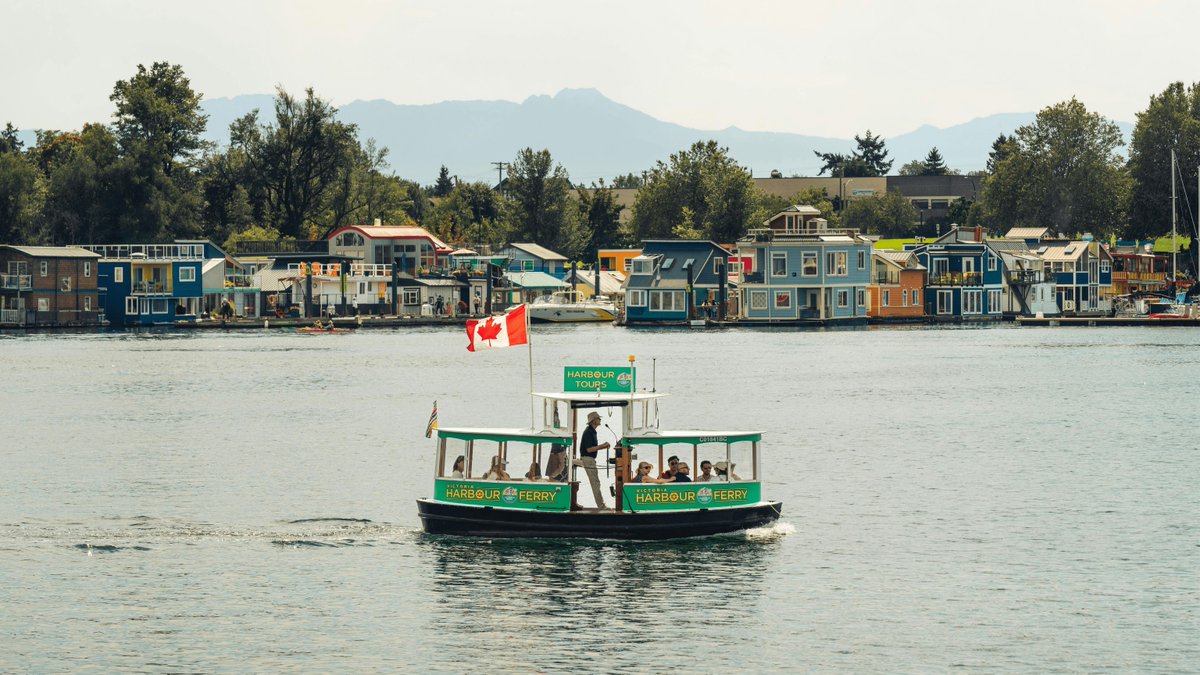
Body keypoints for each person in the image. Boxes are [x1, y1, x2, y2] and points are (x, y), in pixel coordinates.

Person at [578, 411, 609, 508]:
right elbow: (589, 449)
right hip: (588, 459)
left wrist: (602, 446)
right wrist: (602, 446)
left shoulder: (592, 431)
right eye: (598, 418)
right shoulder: (588, 432)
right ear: (593, 421)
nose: (600, 420)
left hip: (589, 459)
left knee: (596, 483)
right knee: (595, 483)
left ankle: (601, 505)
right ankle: (601, 506)